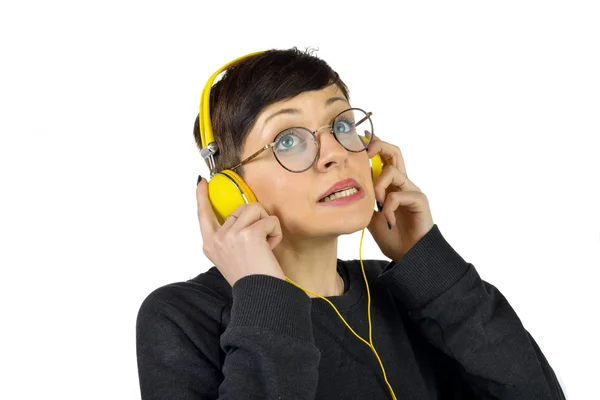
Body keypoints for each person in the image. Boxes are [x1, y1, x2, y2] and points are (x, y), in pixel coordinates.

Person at [135, 47, 566, 399]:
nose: (335, 152)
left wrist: (430, 263)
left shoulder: (409, 292)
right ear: (232, 190)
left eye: (341, 124)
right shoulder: (181, 317)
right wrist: (265, 299)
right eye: (288, 139)